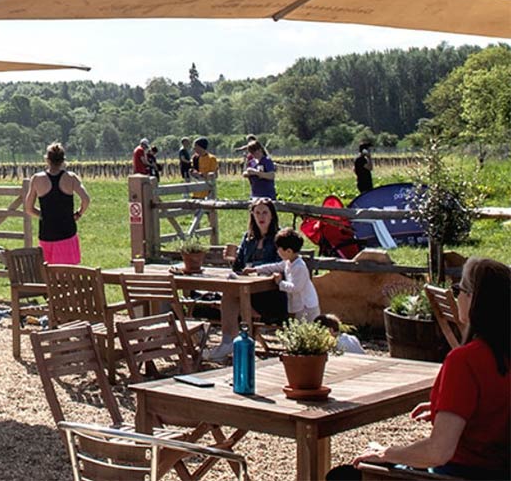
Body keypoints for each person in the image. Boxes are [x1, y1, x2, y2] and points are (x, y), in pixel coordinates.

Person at [328, 258, 510, 480]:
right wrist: (446, 409)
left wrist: (388, 452)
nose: (457, 295)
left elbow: (438, 452)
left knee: (344, 475)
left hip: (458, 473)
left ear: (474, 301)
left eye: (459, 289)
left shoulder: (465, 360)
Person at [204, 198, 287, 361]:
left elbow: (281, 266)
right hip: (247, 289)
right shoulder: (249, 238)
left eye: (265, 213)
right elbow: (239, 268)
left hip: (272, 293)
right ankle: (230, 342)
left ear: (272, 215)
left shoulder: (279, 238)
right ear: (253, 216)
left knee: (231, 294)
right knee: (230, 293)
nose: (261, 217)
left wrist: (255, 268)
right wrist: (232, 259)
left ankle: (234, 344)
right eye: (257, 213)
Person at [25, 142, 91, 266]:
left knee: (48, 274)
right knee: (68, 274)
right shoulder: (71, 178)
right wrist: (78, 214)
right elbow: (86, 199)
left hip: (46, 233)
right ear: (63, 160)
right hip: (67, 233)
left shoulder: (37, 179)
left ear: (47, 159)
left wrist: (43, 215)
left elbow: (28, 208)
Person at [247, 227, 319, 322]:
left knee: (305, 329)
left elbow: (295, 288)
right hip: (299, 306)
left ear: (288, 251)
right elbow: (275, 267)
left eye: (279, 249)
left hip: (307, 306)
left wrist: (280, 282)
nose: (277, 252)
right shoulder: (288, 262)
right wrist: (255, 269)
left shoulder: (299, 267)